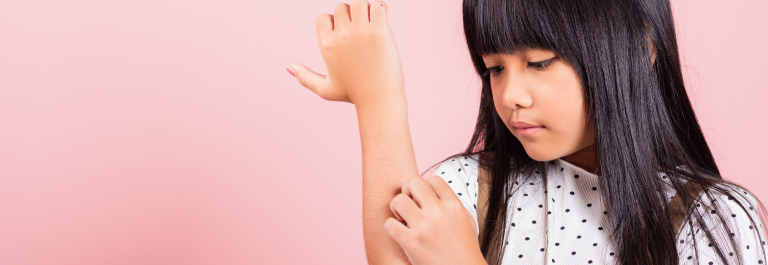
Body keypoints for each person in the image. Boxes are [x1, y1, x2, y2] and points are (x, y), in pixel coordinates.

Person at [285, 0, 768, 264]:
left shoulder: (711, 222)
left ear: (639, 48)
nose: (511, 93)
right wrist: (378, 98)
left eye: (539, 62)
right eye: (494, 69)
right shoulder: (472, 190)